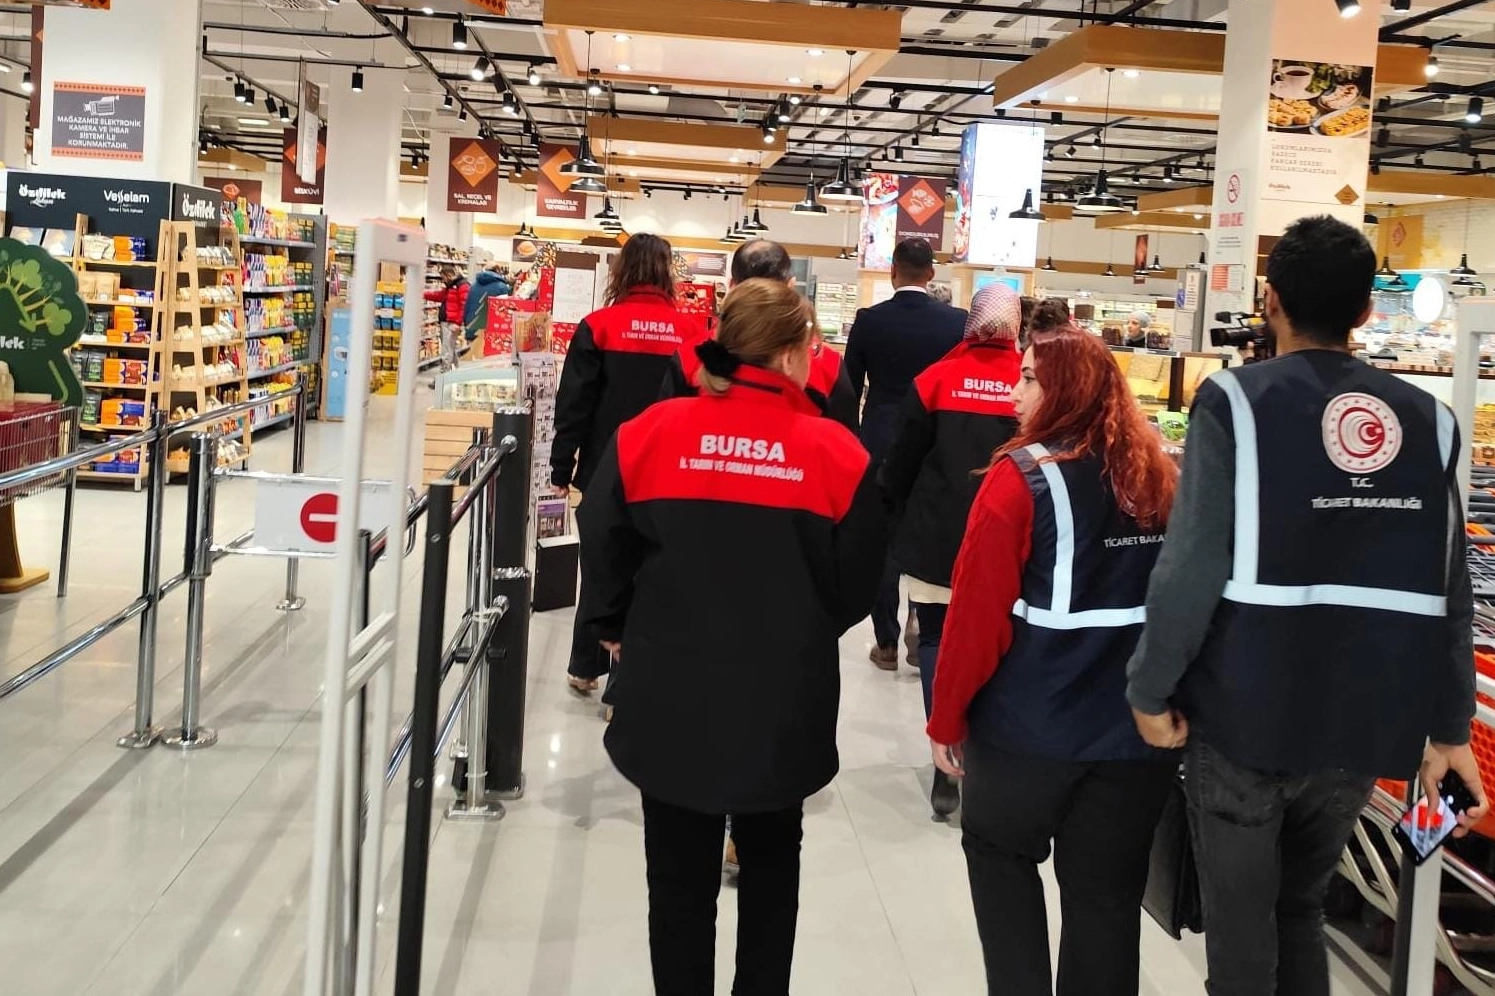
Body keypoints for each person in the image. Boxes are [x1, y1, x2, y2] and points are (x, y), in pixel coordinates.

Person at [1125, 214, 1488, 996]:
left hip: (1244, 716)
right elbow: (1449, 586)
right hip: (1362, 727)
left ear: (1270, 301)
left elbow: (1190, 567)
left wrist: (1148, 690)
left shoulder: (1234, 402)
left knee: (1240, 932)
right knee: (1298, 911)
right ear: (1364, 311)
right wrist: (1451, 726)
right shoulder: (1430, 421)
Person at [578, 278, 887, 996]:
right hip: (783, 699)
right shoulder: (838, 454)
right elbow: (856, 584)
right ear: (792, 355)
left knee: (676, 884)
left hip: (670, 693)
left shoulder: (648, 434)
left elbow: (603, 538)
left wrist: (614, 626)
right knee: (773, 873)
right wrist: (801, 625)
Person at [927, 326, 1180, 996]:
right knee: (1107, 896)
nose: (1013, 394)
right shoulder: (1158, 476)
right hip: (1134, 738)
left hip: (1027, 733)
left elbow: (974, 619)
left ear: (1065, 388)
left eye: (1029, 378)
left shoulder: (1020, 481)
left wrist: (946, 717)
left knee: (1000, 857)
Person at [880, 284, 1023, 821]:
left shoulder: (935, 379)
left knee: (937, 639)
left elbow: (903, 459)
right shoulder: (1031, 379)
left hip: (938, 534)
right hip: (1010, 537)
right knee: (1003, 643)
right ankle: (989, 754)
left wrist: (890, 511)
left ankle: (946, 759)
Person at [552, 233, 709, 695]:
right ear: (666, 272)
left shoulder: (597, 326)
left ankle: (585, 665)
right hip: (669, 471)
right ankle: (622, 687)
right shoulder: (692, 334)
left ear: (621, 271)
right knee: (648, 571)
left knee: (599, 564)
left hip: (605, 467)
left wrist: (561, 468)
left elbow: (574, 404)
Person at [845, 237, 966, 670]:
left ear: (893, 271)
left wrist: (854, 440)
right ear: (931, 273)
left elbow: (848, 387)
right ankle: (921, 617)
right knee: (926, 533)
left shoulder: (869, 321)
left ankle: (887, 642)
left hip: (880, 439)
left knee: (882, 542)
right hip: (935, 442)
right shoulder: (956, 323)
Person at [660, 239, 859, 431]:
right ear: (790, 285)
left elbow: (668, 430)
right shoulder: (827, 365)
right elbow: (846, 438)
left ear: (731, 285)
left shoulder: (692, 357)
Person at [424, 264, 470, 369]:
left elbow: (465, 305)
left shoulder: (462, 285)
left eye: (443, 277)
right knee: (450, 348)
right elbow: (439, 296)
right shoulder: (450, 286)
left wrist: (458, 322)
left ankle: (445, 372)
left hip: (452, 322)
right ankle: (455, 371)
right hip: (446, 321)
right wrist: (422, 294)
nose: (442, 280)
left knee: (447, 348)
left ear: (449, 275)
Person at [463, 263, 512, 345]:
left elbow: (467, 307)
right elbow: (504, 312)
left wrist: (466, 323)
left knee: (472, 352)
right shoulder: (502, 287)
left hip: (472, 327)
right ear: (498, 271)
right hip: (490, 330)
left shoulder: (473, 285)